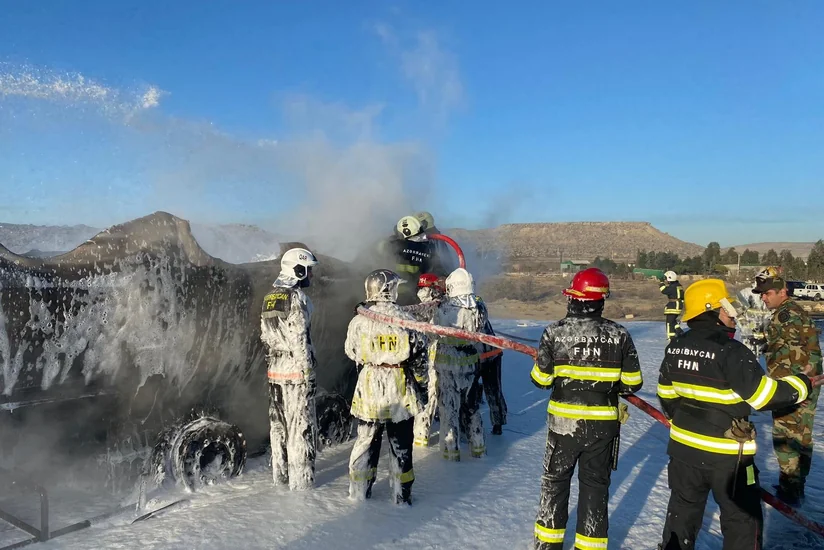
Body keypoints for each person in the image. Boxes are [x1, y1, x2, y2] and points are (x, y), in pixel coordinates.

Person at [656, 278, 815, 549]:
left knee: (680, 518)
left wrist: (688, 422)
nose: (732, 313)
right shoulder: (732, 352)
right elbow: (765, 397)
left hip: (683, 452)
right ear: (713, 310)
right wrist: (803, 384)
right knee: (742, 523)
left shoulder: (675, 347)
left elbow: (666, 396)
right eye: (727, 308)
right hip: (728, 459)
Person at [531, 267, 643, 550]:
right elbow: (633, 383)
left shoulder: (553, 333)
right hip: (602, 428)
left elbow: (541, 381)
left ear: (573, 299)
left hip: (562, 426)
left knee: (555, 484)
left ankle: (548, 545)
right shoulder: (619, 334)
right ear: (601, 301)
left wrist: (548, 363)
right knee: (595, 487)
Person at [344, 269, 429, 505]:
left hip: (369, 387)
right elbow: (420, 359)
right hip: (399, 387)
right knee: (400, 445)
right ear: (390, 290)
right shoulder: (407, 321)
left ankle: (358, 493)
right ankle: (401, 496)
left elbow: (351, 352)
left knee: (364, 442)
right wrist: (422, 387)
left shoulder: (359, 321)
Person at [751, 266, 823, 504]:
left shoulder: (786, 315)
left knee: (786, 435)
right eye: (761, 293)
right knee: (801, 434)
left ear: (782, 291)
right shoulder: (791, 311)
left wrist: (791, 386)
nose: (763, 297)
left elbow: (796, 351)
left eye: (767, 293)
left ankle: (790, 490)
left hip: (793, 385)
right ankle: (795, 486)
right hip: (803, 383)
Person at [260, 247, 320, 491]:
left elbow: (265, 336)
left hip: (275, 370)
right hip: (296, 372)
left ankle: (280, 477)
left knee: (278, 426)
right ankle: (301, 482)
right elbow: (299, 338)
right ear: (298, 270)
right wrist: (308, 372)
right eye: (308, 271)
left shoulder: (269, 297)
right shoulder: (297, 299)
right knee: (300, 427)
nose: (310, 277)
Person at [434, 267, 486, 461]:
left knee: (449, 409)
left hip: (447, 367)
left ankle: (450, 452)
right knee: (472, 408)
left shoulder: (443, 308)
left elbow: (433, 332)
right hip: (471, 365)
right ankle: (478, 448)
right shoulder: (479, 308)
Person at [412, 273, 447, 448]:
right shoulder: (435, 306)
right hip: (435, 353)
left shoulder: (416, 305)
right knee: (432, 393)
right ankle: (423, 433)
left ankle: (420, 434)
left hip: (421, 355)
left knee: (424, 393)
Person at [476, 295, 508, 435]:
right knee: (493, 389)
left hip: (483, 355)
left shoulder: (462, 308)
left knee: (490, 390)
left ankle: (497, 422)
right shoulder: (477, 302)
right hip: (490, 353)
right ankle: (498, 423)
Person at [659, 270, 684, 341]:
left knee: (669, 322)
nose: (666, 280)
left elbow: (663, 290)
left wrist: (661, 282)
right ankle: (679, 331)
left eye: (666, 278)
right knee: (673, 320)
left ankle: (671, 337)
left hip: (673, 306)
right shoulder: (679, 286)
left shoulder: (672, 287)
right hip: (678, 305)